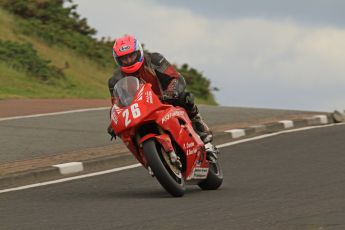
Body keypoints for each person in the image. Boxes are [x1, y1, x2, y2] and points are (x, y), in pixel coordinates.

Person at [107, 34, 212, 144]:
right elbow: (116, 105)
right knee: (125, 132)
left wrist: (171, 91)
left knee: (185, 98)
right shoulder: (115, 81)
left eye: (131, 55)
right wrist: (114, 123)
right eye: (124, 58)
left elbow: (176, 77)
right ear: (118, 60)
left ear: (138, 52)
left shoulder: (155, 60)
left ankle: (199, 125)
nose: (128, 60)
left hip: (164, 100)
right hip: (138, 111)